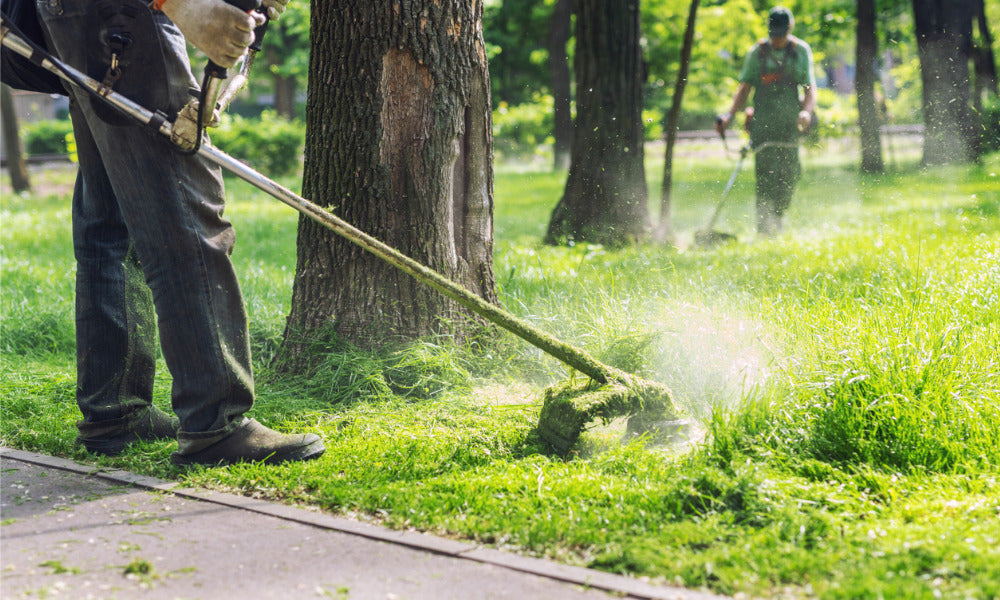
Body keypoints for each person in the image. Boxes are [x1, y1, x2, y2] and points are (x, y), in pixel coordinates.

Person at [32, 0, 325, 465]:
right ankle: (216, 422)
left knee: (114, 218)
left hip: (73, 15)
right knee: (183, 213)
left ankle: (114, 411)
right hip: (121, 16)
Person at [715, 6, 817, 237]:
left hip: (790, 122)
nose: (777, 38)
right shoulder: (757, 53)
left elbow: (810, 88)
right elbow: (744, 88)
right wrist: (729, 116)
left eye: (781, 33)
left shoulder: (800, 51)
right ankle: (765, 229)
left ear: (790, 29)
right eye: (774, 33)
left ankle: (777, 219)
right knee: (765, 176)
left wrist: (806, 113)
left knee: (789, 175)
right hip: (763, 123)